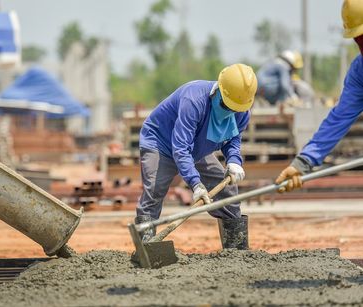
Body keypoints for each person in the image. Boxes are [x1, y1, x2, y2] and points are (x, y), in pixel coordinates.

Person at [135, 63, 258, 249]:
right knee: (154, 191)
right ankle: (146, 249)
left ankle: (237, 251)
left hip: (197, 148)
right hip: (161, 142)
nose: (230, 111)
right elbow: (181, 147)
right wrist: (195, 184)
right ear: (218, 91)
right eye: (227, 105)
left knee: (227, 193)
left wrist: (234, 161)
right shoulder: (194, 99)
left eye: (235, 108)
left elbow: (233, 140)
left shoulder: (241, 111)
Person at [275, 0, 363, 192]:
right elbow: (338, 119)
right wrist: (302, 162)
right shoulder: (360, 72)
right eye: (358, 38)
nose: (361, 44)